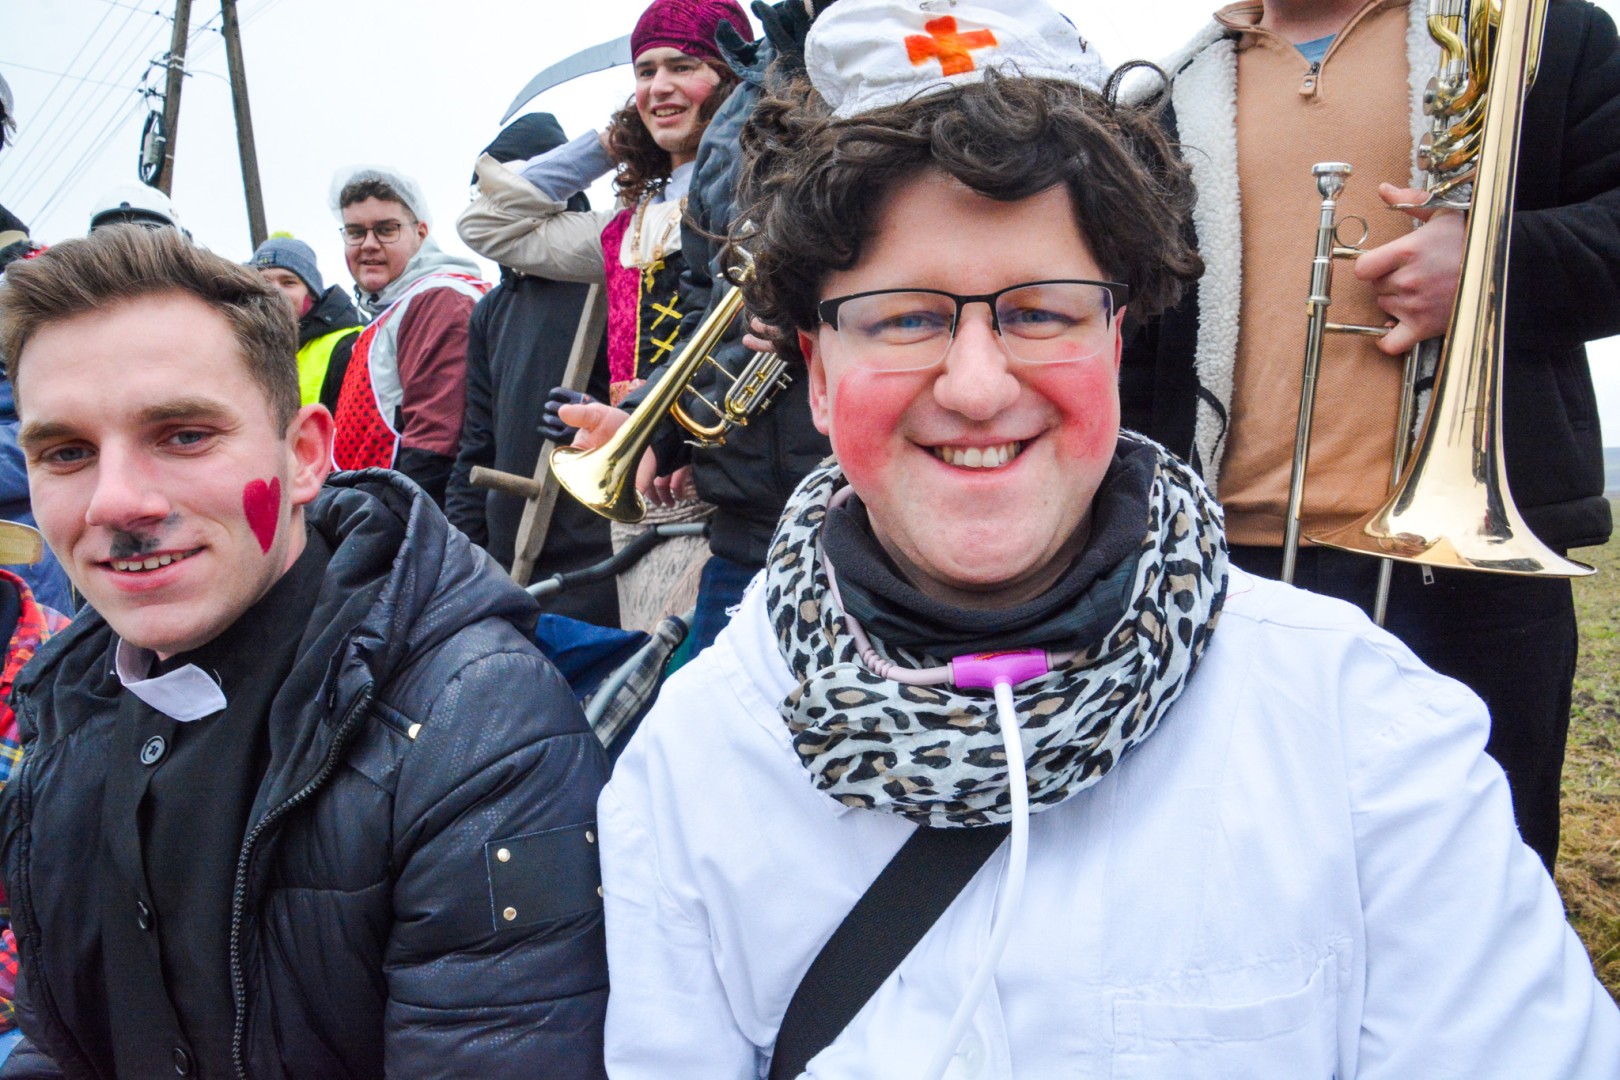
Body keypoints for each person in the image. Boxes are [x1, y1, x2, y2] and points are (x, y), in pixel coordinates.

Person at [595, 0, 1620, 1075]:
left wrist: (1505, 260)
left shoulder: (1374, 734)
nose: (978, 386)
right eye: (905, 317)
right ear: (814, 370)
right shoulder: (693, 763)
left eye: (1041, 311)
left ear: (1117, 339)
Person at [0, 225, 609, 1078]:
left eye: (183, 435)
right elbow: (61, 1036)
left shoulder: (478, 729)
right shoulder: (66, 695)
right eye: (66, 453)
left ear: (304, 457)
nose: (116, 503)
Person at [1118, 0, 1620, 871]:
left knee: (1472, 874)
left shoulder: (1539, 35)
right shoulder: (1162, 94)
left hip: (1471, 572)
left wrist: (1491, 268)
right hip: (1219, 567)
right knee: (1234, 868)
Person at [457, 0, 754, 632]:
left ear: (731, 78)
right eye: (645, 72)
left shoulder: (763, 193)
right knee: (648, 668)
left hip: (736, 478)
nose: (659, 85)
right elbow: (487, 224)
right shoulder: (626, 228)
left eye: (682, 66)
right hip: (641, 481)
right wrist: (614, 140)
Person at [447, 114, 619, 626]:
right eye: (487, 192)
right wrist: (464, 555)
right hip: (508, 562)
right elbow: (477, 443)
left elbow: (643, 402)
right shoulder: (491, 310)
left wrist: (596, 416)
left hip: (596, 559)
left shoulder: (612, 279)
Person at [331, 165, 488, 509]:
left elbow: (436, 443)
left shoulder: (439, 299)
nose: (368, 244)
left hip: (406, 513)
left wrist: (400, 526)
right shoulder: (395, 306)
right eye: (355, 232)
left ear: (421, 232)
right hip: (369, 507)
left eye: (386, 230)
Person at [246, 235, 364, 414]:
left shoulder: (348, 345)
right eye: (264, 282)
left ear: (313, 294)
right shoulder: (243, 345)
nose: (275, 292)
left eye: (288, 282)